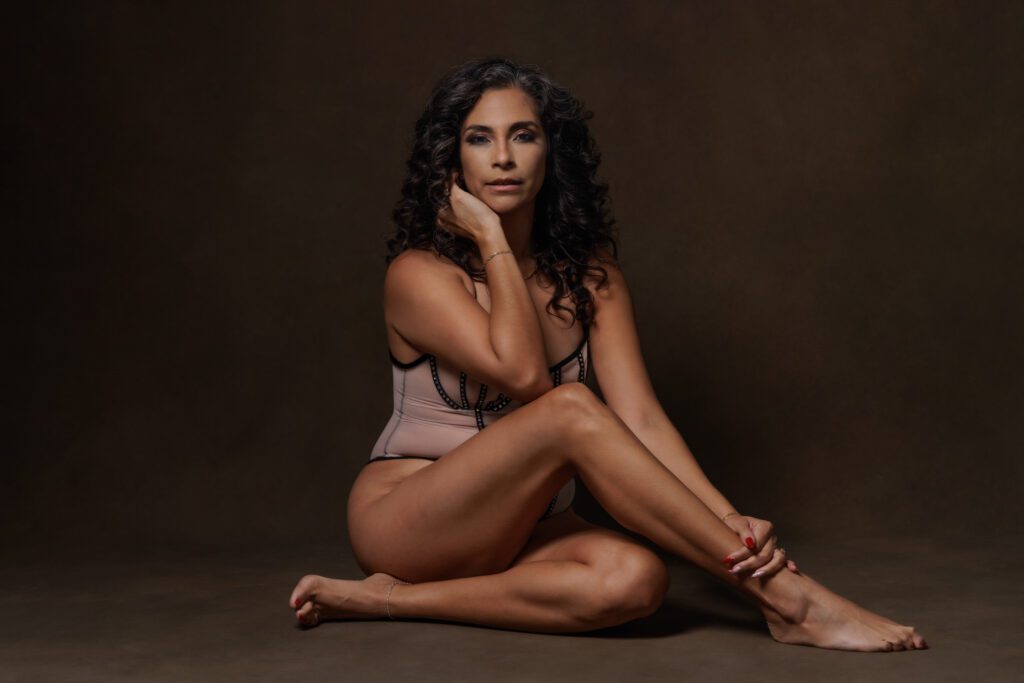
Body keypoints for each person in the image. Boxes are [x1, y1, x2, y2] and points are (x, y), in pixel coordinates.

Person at [289, 58, 927, 652]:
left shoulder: (593, 279)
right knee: (570, 407)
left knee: (636, 581)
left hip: (525, 531)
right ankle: (788, 599)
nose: (503, 158)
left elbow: (642, 420)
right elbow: (523, 373)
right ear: (452, 159)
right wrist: (488, 235)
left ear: (551, 152)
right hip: (407, 517)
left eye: (524, 135)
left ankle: (390, 602)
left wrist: (731, 521)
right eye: (479, 139)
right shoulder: (418, 275)